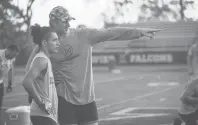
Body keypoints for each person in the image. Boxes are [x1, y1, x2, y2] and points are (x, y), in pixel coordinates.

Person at [27, 6, 161, 125]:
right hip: (64, 101)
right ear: (54, 22)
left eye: (69, 20)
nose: (68, 23)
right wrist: (45, 85)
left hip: (88, 99)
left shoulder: (83, 35)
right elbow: (30, 70)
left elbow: (110, 33)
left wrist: (138, 32)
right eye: (64, 21)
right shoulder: (45, 43)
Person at [22, 24, 60, 125]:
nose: (58, 43)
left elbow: (27, 70)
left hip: (47, 116)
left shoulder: (44, 59)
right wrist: (41, 103)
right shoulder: (41, 60)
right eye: (54, 40)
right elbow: (26, 81)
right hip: (43, 116)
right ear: (45, 43)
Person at [0, 44, 19, 110]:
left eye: (15, 56)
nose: (13, 57)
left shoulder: (11, 58)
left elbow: (10, 70)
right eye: (13, 55)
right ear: (8, 50)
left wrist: (9, 84)